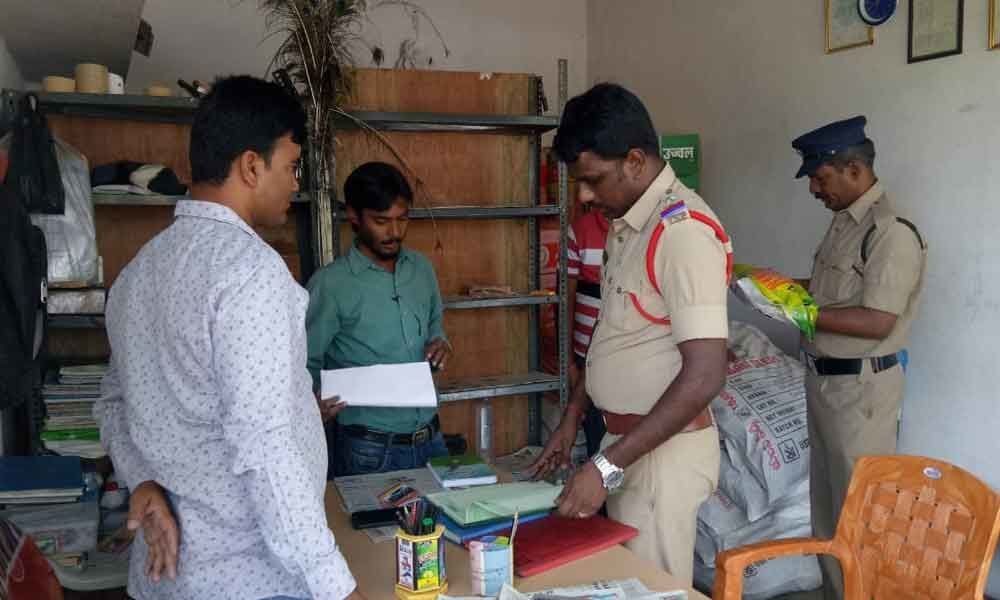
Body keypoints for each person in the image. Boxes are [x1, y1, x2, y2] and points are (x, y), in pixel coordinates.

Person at [95, 75, 361, 600]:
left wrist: (140, 479)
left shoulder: (138, 271)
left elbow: (111, 403)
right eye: (290, 166)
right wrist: (336, 587)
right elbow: (264, 446)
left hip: (167, 579)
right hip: (249, 578)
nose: (293, 183)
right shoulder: (249, 273)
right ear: (251, 166)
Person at [532, 83, 731, 585]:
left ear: (636, 161)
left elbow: (706, 374)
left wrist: (604, 469)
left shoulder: (681, 234)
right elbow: (612, 338)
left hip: (662, 456)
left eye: (593, 180)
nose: (583, 196)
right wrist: (573, 418)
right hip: (625, 446)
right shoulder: (628, 223)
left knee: (650, 591)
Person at [791, 116, 926, 599]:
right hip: (825, 385)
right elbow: (830, 296)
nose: (813, 189)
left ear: (853, 169)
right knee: (827, 514)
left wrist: (798, 309)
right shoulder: (843, 226)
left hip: (861, 393)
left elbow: (876, 321)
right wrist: (777, 288)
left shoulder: (891, 232)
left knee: (861, 515)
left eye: (819, 178)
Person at [306, 161, 451, 477]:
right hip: (369, 449)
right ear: (354, 217)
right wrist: (311, 403)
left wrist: (440, 343)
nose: (395, 232)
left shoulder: (421, 269)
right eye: (381, 221)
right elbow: (304, 360)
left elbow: (435, 323)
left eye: (402, 219)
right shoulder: (331, 284)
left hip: (431, 438)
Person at [566, 206, 610, 457]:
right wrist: (570, 363)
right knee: (596, 434)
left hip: (629, 355)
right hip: (587, 357)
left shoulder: (647, 228)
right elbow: (567, 298)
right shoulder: (580, 230)